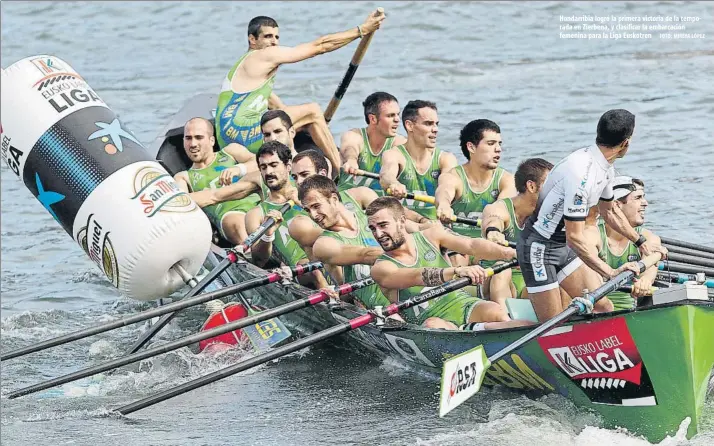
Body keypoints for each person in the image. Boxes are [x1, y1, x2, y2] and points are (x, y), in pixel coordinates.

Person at [517, 109, 666, 322]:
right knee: (553, 324)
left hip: (561, 246)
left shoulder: (603, 167)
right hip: (538, 248)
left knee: (603, 307)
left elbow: (610, 211)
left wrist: (640, 241)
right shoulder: (582, 176)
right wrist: (610, 272)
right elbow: (575, 238)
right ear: (626, 143)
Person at [215, 11, 385, 163]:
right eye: (268, 37)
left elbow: (280, 109)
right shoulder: (263, 55)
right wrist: (362, 29)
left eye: (277, 37)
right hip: (242, 134)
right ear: (252, 40)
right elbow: (320, 46)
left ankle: (309, 157)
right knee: (312, 110)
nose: (274, 43)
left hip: (226, 139)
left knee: (303, 120)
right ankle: (339, 170)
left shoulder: (244, 67)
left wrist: (314, 125)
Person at [366, 197, 532, 330]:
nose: (378, 234)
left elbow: (472, 245)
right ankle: (475, 332)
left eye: (383, 225)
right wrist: (457, 271)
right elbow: (417, 276)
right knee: (434, 325)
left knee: (497, 312)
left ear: (402, 221)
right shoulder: (381, 268)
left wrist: (510, 253)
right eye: (373, 228)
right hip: (431, 321)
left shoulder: (432, 236)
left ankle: (481, 331)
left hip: (464, 304)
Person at [296, 174, 389, 309]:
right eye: (308, 210)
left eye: (316, 206)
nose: (313, 215)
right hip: (385, 312)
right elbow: (364, 255)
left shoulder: (371, 216)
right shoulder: (323, 245)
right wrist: (399, 256)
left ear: (334, 199)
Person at [243, 142, 328, 288]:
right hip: (303, 270)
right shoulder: (256, 214)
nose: (268, 171)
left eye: (274, 165)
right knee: (315, 271)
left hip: (330, 253)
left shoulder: (309, 190)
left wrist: (301, 203)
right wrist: (267, 234)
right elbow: (258, 261)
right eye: (263, 167)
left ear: (288, 166)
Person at [173, 117, 261, 245]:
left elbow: (262, 163)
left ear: (212, 140)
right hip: (231, 218)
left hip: (259, 203)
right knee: (236, 222)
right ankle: (254, 253)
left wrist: (239, 169)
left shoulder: (231, 151)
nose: (193, 144)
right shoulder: (183, 177)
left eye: (199, 137)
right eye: (188, 138)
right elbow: (182, 203)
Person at [480, 158, 553, 307]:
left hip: (528, 283)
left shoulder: (548, 215)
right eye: (551, 185)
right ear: (531, 186)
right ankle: (505, 321)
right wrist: (493, 231)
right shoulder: (500, 208)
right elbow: (494, 218)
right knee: (503, 270)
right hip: (495, 278)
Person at [584, 176, 661, 310]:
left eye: (644, 197)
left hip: (626, 312)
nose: (645, 203)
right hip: (593, 311)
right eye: (638, 198)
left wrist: (645, 282)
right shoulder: (593, 234)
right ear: (617, 204)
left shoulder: (650, 239)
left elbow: (648, 274)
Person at [434, 119, 516, 237]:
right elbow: (444, 191)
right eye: (491, 143)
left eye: (499, 144)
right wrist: (444, 205)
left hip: (489, 244)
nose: (498, 149)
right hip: (456, 247)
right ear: (471, 147)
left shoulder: (506, 180)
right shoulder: (453, 177)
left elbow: (500, 209)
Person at [379, 100, 458, 219]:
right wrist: (394, 183)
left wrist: (444, 203)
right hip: (404, 222)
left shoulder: (446, 159)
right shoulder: (394, 155)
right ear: (409, 125)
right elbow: (386, 175)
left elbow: (447, 186)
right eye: (428, 124)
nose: (435, 129)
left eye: (436, 124)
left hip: (435, 225)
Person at [338, 92, 406, 192]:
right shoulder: (354, 135)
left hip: (380, 204)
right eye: (390, 115)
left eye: (398, 114)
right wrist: (351, 160)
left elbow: (391, 165)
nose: (397, 119)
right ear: (373, 119)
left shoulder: (400, 143)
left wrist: (393, 182)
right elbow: (350, 147)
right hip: (348, 198)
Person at [260, 109, 335, 177]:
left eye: (278, 131)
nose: (273, 138)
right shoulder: (260, 169)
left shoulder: (316, 163)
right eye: (267, 135)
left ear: (292, 132)